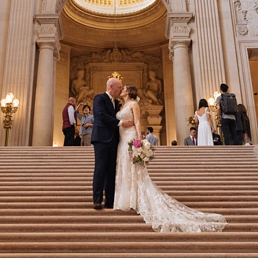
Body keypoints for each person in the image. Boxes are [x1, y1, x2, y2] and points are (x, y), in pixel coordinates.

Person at [113, 84, 226, 232]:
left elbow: (138, 122)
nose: (120, 91)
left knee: (134, 166)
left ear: (128, 91)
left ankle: (136, 197)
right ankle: (126, 197)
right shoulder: (122, 106)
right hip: (122, 138)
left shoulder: (134, 104)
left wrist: (140, 140)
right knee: (124, 166)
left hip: (130, 136)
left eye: (123, 89)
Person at [92, 77, 134, 210]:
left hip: (115, 140)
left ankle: (109, 201)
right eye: (119, 87)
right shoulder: (99, 98)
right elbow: (101, 115)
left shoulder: (117, 103)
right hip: (101, 138)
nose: (121, 89)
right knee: (100, 168)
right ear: (111, 86)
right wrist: (120, 123)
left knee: (111, 170)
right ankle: (97, 200)